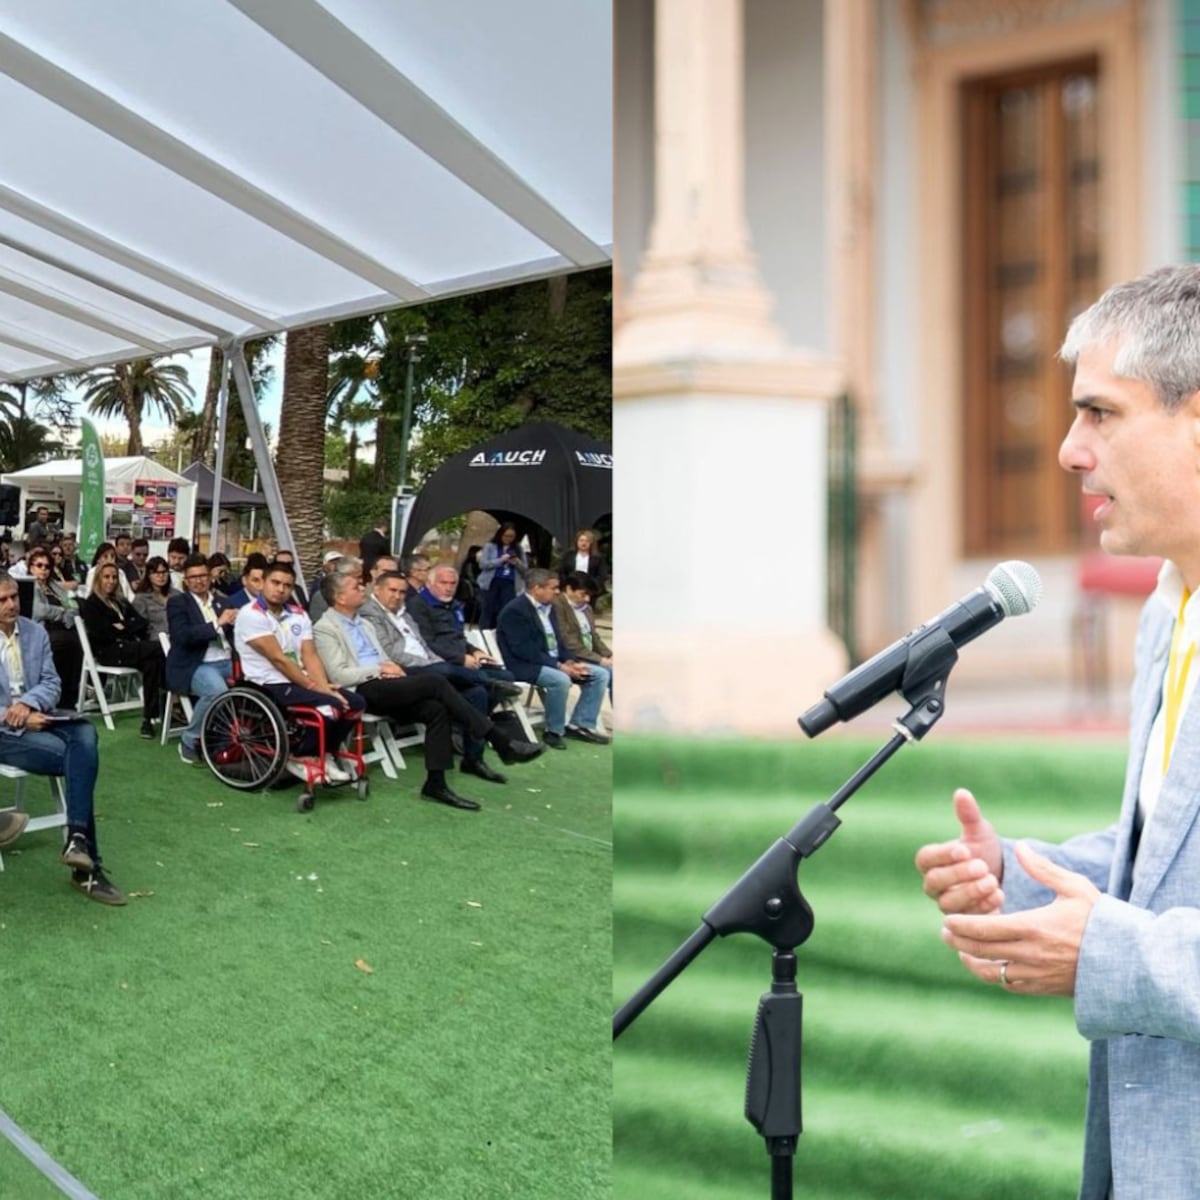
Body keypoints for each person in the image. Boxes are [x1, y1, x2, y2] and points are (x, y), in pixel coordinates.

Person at [915, 263, 1200, 1200]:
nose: (1071, 450)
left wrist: (1106, 954)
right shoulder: (1172, 608)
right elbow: (1167, 853)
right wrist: (1028, 875)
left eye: (1101, 414)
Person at [313, 565, 542, 808]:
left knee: (435, 709)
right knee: (435, 680)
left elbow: (384, 657)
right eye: (355, 588)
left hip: (388, 682)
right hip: (363, 687)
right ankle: (499, 739)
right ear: (339, 597)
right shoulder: (325, 628)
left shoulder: (364, 624)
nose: (362, 589)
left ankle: (436, 783)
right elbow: (339, 674)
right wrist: (380, 670)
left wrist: (391, 668)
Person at [0, 571, 124, 904]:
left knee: (84, 731)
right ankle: (87, 869)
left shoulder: (35, 631)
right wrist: (16, 715)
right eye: (3, 600)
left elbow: (52, 683)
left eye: (14, 596)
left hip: (39, 715)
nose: (12, 604)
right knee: (80, 760)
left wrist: (29, 703)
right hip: (4, 732)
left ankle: (78, 840)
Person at [233, 560, 365, 785]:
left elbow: (309, 654)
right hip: (266, 683)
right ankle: (301, 755)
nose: (280, 589)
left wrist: (322, 683)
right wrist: (314, 687)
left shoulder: (298, 614)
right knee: (330, 706)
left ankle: (326, 753)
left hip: (298, 679)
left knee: (355, 702)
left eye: (287, 585)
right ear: (263, 583)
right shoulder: (250, 614)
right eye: (275, 582)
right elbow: (279, 659)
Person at [496, 568, 610, 748]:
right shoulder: (516, 611)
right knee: (560, 680)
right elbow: (525, 650)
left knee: (599, 674)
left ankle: (580, 724)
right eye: (553, 588)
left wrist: (570, 661)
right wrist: (560, 666)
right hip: (523, 665)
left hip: (552, 662)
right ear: (536, 588)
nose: (558, 591)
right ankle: (554, 731)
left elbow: (560, 642)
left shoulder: (549, 608)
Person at [80, 561, 164, 738]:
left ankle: (148, 720)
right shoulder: (91, 604)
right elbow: (102, 634)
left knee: (152, 663)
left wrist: (123, 626)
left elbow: (141, 622)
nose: (111, 581)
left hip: (127, 647)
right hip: (108, 652)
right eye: (106, 577)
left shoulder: (121, 601)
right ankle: (172, 701)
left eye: (114, 577)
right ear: (98, 579)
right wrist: (125, 627)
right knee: (160, 649)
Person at [166, 554, 236, 766]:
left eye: (203, 575)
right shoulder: (178, 603)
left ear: (210, 577)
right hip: (195, 664)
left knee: (260, 682)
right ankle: (190, 739)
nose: (199, 580)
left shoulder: (223, 602)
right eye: (193, 577)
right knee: (217, 691)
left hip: (227, 660)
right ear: (185, 581)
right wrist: (217, 624)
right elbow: (182, 636)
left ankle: (232, 739)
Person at [406, 563, 516, 688]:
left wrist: (475, 651)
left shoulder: (455, 606)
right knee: (481, 683)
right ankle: (489, 687)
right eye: (443, 583)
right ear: (429, 584)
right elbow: (426, 642)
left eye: (453, 584)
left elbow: (459, 637)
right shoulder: (418, 605)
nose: (448, 588)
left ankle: (491, 689)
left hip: (465, 660)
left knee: (507, 676)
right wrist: (460, 659)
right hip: (441, 662)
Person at [26, 546, 82, 709]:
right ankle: (57, 697)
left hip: (64, 628)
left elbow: (73, 606)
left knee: (77, 645)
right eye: (39, 565)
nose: (44, 570)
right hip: (42, 630)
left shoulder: (55, 586)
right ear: (31, 568)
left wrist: (67, 613)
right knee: (70, 644)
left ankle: (69, 698)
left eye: (47, 566)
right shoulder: (28, 585)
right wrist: (61, 612)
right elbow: (38, 610)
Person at [553, 572, 613, 700]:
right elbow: (567, 640)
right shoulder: (557, 606)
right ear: (569, 589)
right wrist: (600, 660)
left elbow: (594, 636)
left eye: (589, 595)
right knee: (607, 673)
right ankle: (583, 719)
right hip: (572, 657)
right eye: (583, 594)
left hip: (589, 655)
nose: (587, 599)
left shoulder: (586, 608)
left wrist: (608, 654)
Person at [478, 523, 528, 630]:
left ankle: (501, 633)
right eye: (506, 536)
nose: (508, 539)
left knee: (505, 611)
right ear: (500, 535)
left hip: (510, 583)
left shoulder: (518, 548)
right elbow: (483, 564)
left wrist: (516, 562)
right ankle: (484, 632)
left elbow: (525, 570)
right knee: (487, 610)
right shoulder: (490, 546)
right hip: (492, 582)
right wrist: (501, 560)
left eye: (511, 537)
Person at [131, 555, 175, 640]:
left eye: (164, 572)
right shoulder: (141, 599)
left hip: (178, 639)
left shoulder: (178, 595)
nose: (161, 576)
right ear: (148, 575)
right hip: (155, 642)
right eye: (156, 573)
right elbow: (140, 627)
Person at [557, 528, 608, 600]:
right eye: (581, 540)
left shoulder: (598, 558)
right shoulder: (568, 556)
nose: (584, 543)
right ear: (577, 542)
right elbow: (561, 572)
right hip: (570, 590)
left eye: (587, 541)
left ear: (591, 543)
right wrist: (567, 586)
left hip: (590, 592)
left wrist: (591, 586)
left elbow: (602, 575)